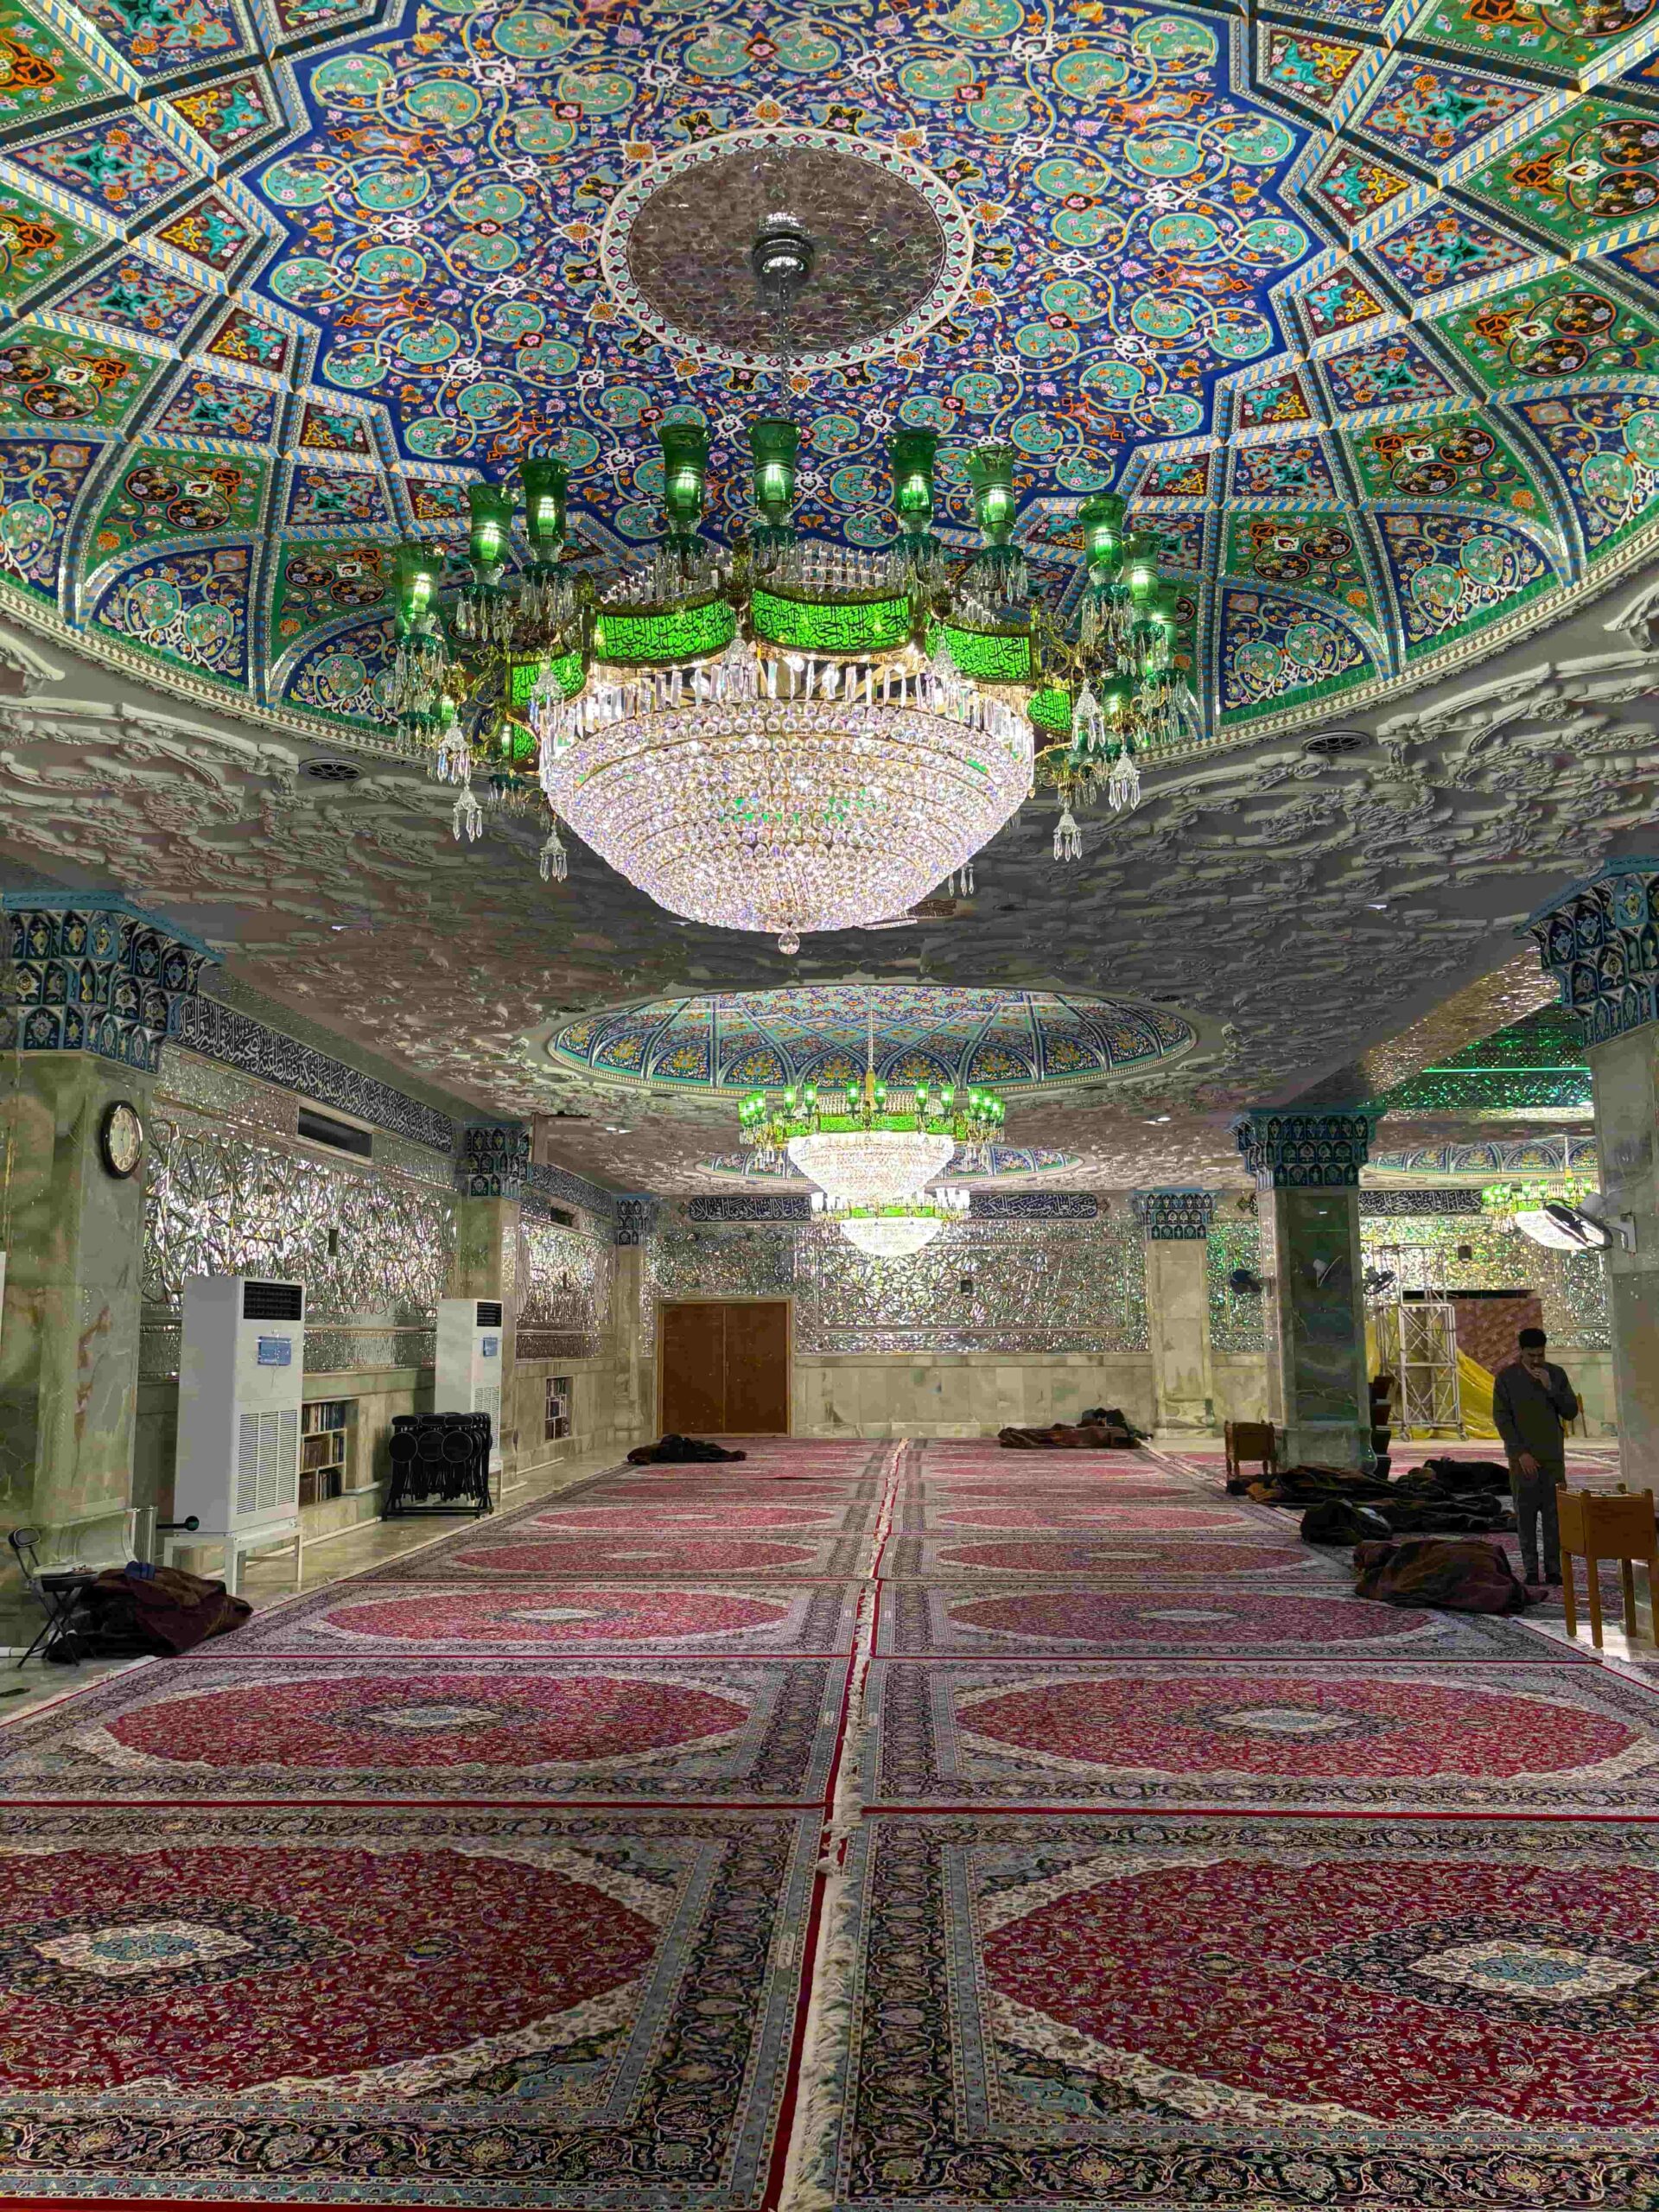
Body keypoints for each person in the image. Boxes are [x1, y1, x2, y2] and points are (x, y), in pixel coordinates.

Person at [1491, 1327, 1580, 1586]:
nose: (1536, 1360)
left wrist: (1551, 1388)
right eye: (1531, 1355)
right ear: (1520, 1352)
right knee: (1526, 1516)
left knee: (1554, 1518)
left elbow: (1571, 1412)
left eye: (1540, 1355)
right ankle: (1531, 1570)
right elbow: (1502, 1419)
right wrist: (1520, 1454)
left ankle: (1553, 1569)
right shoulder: (1507, 1378)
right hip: (1523, 1461)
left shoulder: (1555, 1375)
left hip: (1552, 1458)